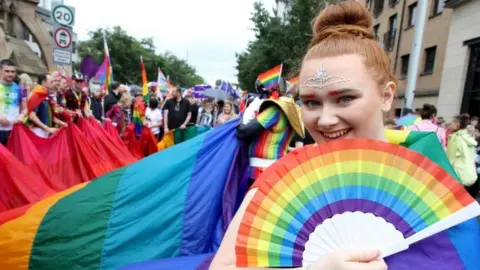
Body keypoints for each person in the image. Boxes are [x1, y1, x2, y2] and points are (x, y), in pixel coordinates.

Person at [212, 2, 465, 269]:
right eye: (310, 103)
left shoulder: (430, 181)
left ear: (387, 95)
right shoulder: (284, 177)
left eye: (345, 98)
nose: (325, 119)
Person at [447, 114, 478, 197]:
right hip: (468, 174)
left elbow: (450, 158)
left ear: (458, 124)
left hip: (457, 175)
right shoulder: (466, 137)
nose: (450, 124)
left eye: (452, 122)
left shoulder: (456, 138)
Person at [0, 59, 26, 145]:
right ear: (0, 71)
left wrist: (21, 116)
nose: (10, 74)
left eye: (13, 71)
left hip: (13, 130)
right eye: (7, 71)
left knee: (10, 157)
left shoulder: (20, 89)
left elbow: (25, 108)